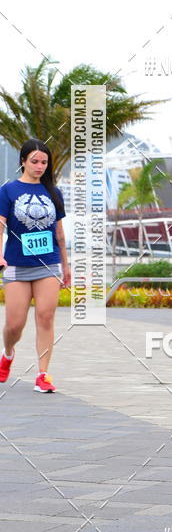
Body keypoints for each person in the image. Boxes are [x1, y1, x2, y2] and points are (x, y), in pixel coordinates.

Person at [0, 139, 71, 392]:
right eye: (35, 161)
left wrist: (66, 266)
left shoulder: (54, 193)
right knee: (14, 325)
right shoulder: (8, 190)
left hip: (48, 263)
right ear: (23, 161)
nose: (40, 166)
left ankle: (43, 375)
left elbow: (59, 234)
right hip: (16, 265)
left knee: (46, 316)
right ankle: (8, 353)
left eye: (44, 162)